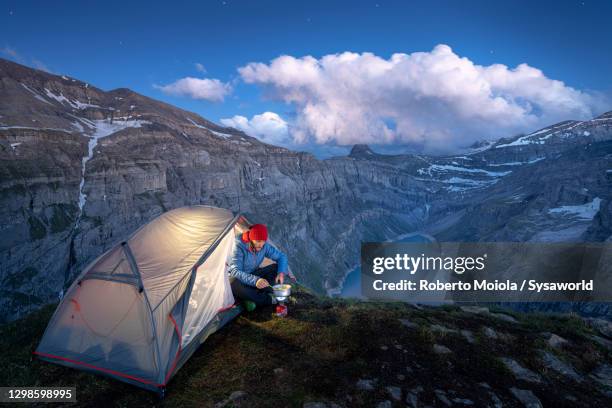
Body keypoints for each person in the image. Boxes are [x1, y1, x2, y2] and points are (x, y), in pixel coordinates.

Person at [228, 223, 292, 308]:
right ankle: (268, 299)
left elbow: (281, 256)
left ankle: (255, 295)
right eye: (258, 241)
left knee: (276, 268)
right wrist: (256, 281)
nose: (261, 245)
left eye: (263, 241)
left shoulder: (264, 246)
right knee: (234, 284)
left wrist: (281, 272)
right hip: (239, 278)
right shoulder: (238, 246)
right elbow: (235, 271)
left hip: (254, 274)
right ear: (251, 239)